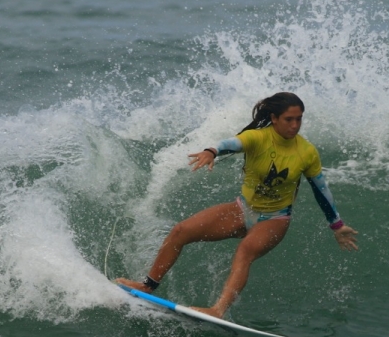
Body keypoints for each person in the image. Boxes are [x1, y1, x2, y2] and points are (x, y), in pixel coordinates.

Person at [116, 92, 358, 318]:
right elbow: (230, 143)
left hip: (275, 219)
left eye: (299, 119)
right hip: (242, 209)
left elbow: (321, 190)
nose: (294, 125)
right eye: (288, 119)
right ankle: (147, 285)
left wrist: (337, 226)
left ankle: (218, 310)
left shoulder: (306, 152)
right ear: (273, 118)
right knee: (181, 231)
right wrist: (211, 151)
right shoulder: (257, 138)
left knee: (244, 252)